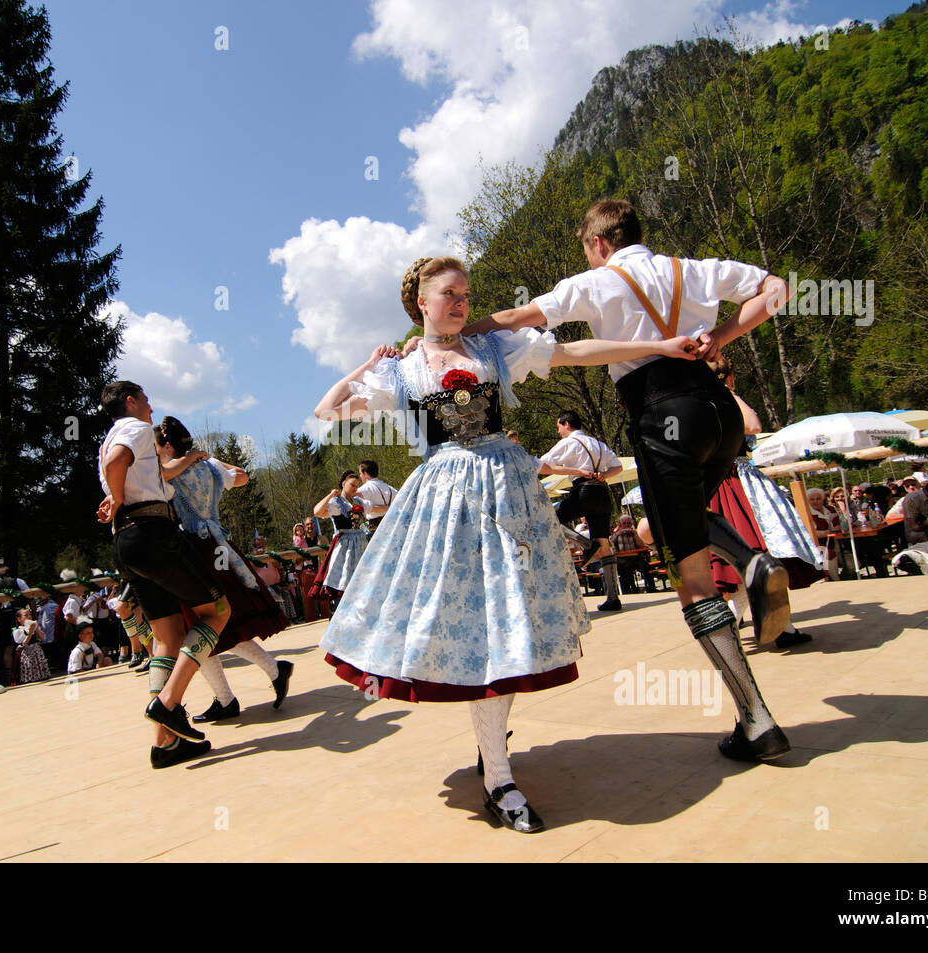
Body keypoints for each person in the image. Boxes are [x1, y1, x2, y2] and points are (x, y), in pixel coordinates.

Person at [315, 254, 699, 832]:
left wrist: (662, 347)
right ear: (421, 302)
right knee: (472, 629)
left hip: (508, 490)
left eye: (466, 292)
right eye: (450, 293)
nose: (462, 302)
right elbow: (328, 411)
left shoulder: (494, 348)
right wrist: (366, 364)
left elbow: (573, 352)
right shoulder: (399, 371)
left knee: (509, 621)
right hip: (445, 500)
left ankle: (495, 761)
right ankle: (498, 772)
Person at [451, 198, 795, 764]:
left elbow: (520, 319)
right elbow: (777, 288)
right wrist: (723, 337)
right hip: (721, 414)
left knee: (690, 574)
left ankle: (756, 720)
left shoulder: (597, 282)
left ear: (596, 244)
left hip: (665, 415)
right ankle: (751, 562)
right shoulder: (694, 269)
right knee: (671, 524)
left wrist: (459, 335)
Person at [96, 380, 231, 769]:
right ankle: (168, 704)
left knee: (166, 637)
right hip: (154, 534)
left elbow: (146, 471)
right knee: (216, 611)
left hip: (125, 542)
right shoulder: (136, 430)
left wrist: (117, 499)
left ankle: (164, 743)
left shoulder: (109, 438)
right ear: (131, 401)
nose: (152, 407)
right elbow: (115, 465)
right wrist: (119, 496)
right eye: (147, 399)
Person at [156, 416, 293, 724]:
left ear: (166, 446)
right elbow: (242, 475)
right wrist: (210, 458)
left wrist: (192, 458)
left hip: (194, 551)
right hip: (218, 546)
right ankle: (232, 694)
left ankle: (239, 690)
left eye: (156, 448)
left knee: (206, 626)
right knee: (211, 626)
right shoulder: (208, 468)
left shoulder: (167, 473)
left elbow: (163, 473)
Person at [701, 354, 824, 649]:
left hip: (721, 484)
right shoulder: (720, 400)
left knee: (746, 564)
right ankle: (775, 628)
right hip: (737, 483)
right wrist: (728, 391)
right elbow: (753, 425)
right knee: (759, 556)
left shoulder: (700, 406)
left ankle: (764, 627)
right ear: (727, 377)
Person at [540, 411, 625, 611]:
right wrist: (604, 474)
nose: (559, 431)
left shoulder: (569, 442)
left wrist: (572, 471)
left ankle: (586, 544)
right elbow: (618, 466)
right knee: (603, 543)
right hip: (602, 492)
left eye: (559, 427)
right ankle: (613, 597)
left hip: (584, 490)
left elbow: (542, 464)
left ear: (566, 424)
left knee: (550, 517)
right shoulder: (597, 443)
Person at [308, 471, 369, 608]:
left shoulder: (358, 501)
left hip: (360, 543)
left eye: (357, 485)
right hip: (345, 545)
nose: (355, 488)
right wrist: (330, 495)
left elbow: (373, 510)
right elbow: (317, 512)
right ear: (343, 484)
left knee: (363, 576)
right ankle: (341, 608)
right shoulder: (337, 503)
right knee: (344, 575)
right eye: (352, 485)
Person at [356, 460, 398, 535]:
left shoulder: (364, 489)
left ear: (365, 474)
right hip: (392, 525)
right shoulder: (390, 488)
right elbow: (399, 505)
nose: (360, 476)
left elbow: (358, 506)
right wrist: (389, 508)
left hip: (375, 527)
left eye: (360, 473)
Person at [11, 607, 50, 684]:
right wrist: (30, 631)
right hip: (26, 651)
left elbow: (42, 637)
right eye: (26, 615)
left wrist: (37, 628)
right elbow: (24, 643)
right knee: (28, 666)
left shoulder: (33, 626)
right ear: (19, 619)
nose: (29, 617)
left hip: (36, 649)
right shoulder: (18, 630)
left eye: (30, 614)